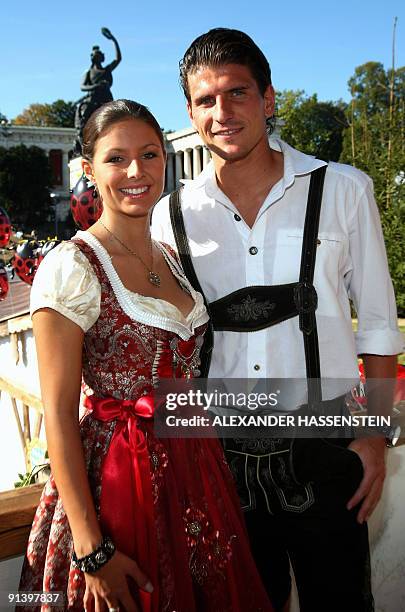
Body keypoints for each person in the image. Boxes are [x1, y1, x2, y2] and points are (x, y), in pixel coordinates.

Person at [151, 28, 404, 612]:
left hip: (329, 441)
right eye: (206, 101)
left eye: (237, 93)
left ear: (268, 98)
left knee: (341, 600)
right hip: (217, 449)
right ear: (190, 112)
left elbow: (379, 324)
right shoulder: (170, 218)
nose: (223, 112)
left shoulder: (344, 190)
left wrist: (373, 433)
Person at [19, 99, 273, 612]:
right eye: (116, 159)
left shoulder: (172, 258)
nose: (136, 172)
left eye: (150, 154)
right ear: (88, 170)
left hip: (196, 470)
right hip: (117, 481)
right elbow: (61, 420)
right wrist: (91, 551)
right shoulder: (72, 266)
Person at [73, 28, 122, 156]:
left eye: (100, 55)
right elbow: (82, 87)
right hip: (93, 99)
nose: (98, 57)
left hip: (106, 99)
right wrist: (96, 86)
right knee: (83, 117)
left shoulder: (106, 70)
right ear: (93, 58)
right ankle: (83, 143)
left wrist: (113, 40)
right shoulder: (89, 73)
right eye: (96, 56)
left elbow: (118, 58)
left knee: (114, 118)